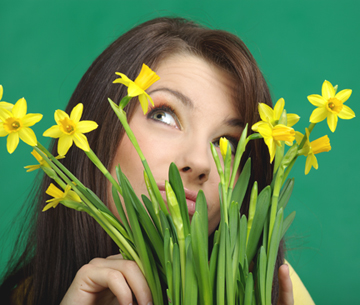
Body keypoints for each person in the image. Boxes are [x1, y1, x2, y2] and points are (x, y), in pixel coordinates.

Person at [0, 17, 312, 305]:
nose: (200, 162)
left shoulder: (273, 292)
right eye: (164, 115)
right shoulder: (25, 298)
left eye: (227, 143)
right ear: (99, 129)